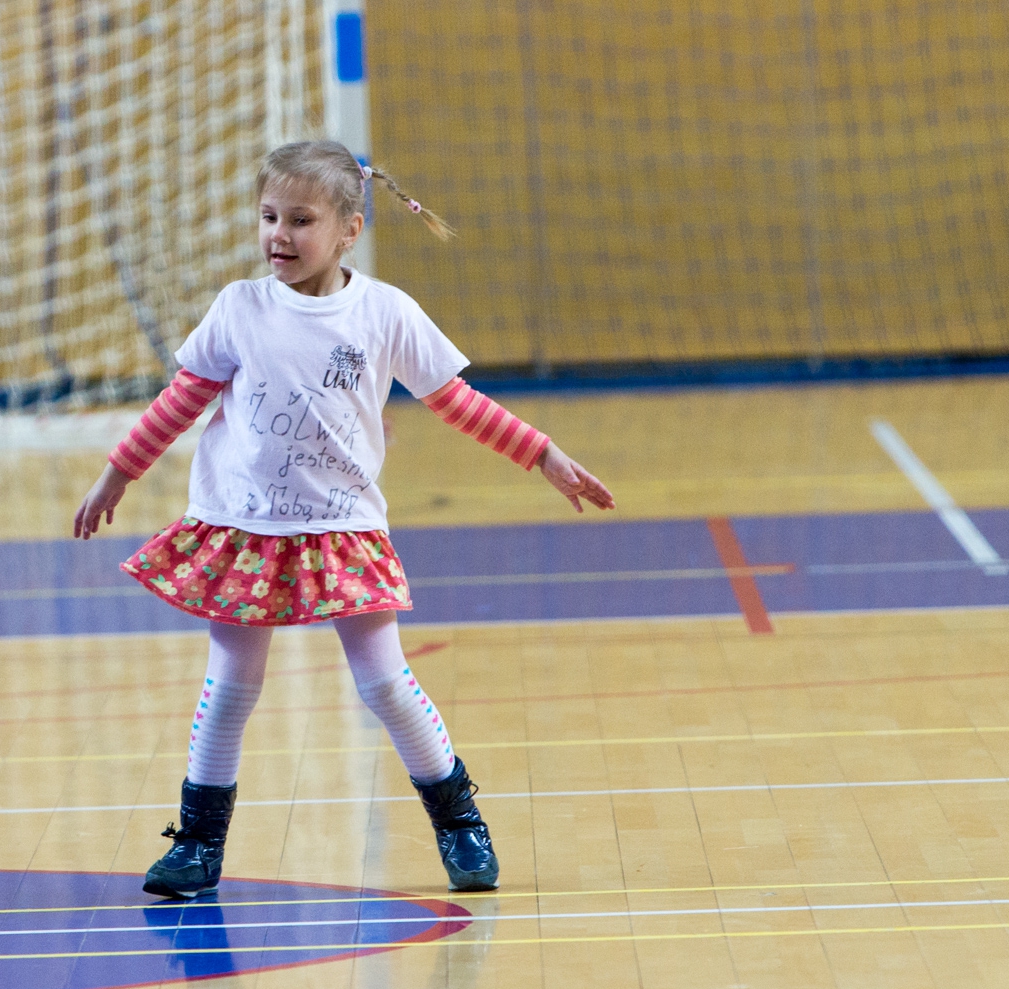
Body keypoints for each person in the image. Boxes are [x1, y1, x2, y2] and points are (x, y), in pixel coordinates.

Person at [74, 140, 614, 899]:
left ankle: (459, 820)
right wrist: (117, 474)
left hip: (342, 529)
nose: (279, 235)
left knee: (386, 683)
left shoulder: (386, 312)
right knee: (230, 687)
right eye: (268, 217)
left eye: (300, 219)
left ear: (349, 229)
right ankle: (197, 843)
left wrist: (544, 454)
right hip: (242, 526)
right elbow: (179, 404)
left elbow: (457, 403)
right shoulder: (240, 308)